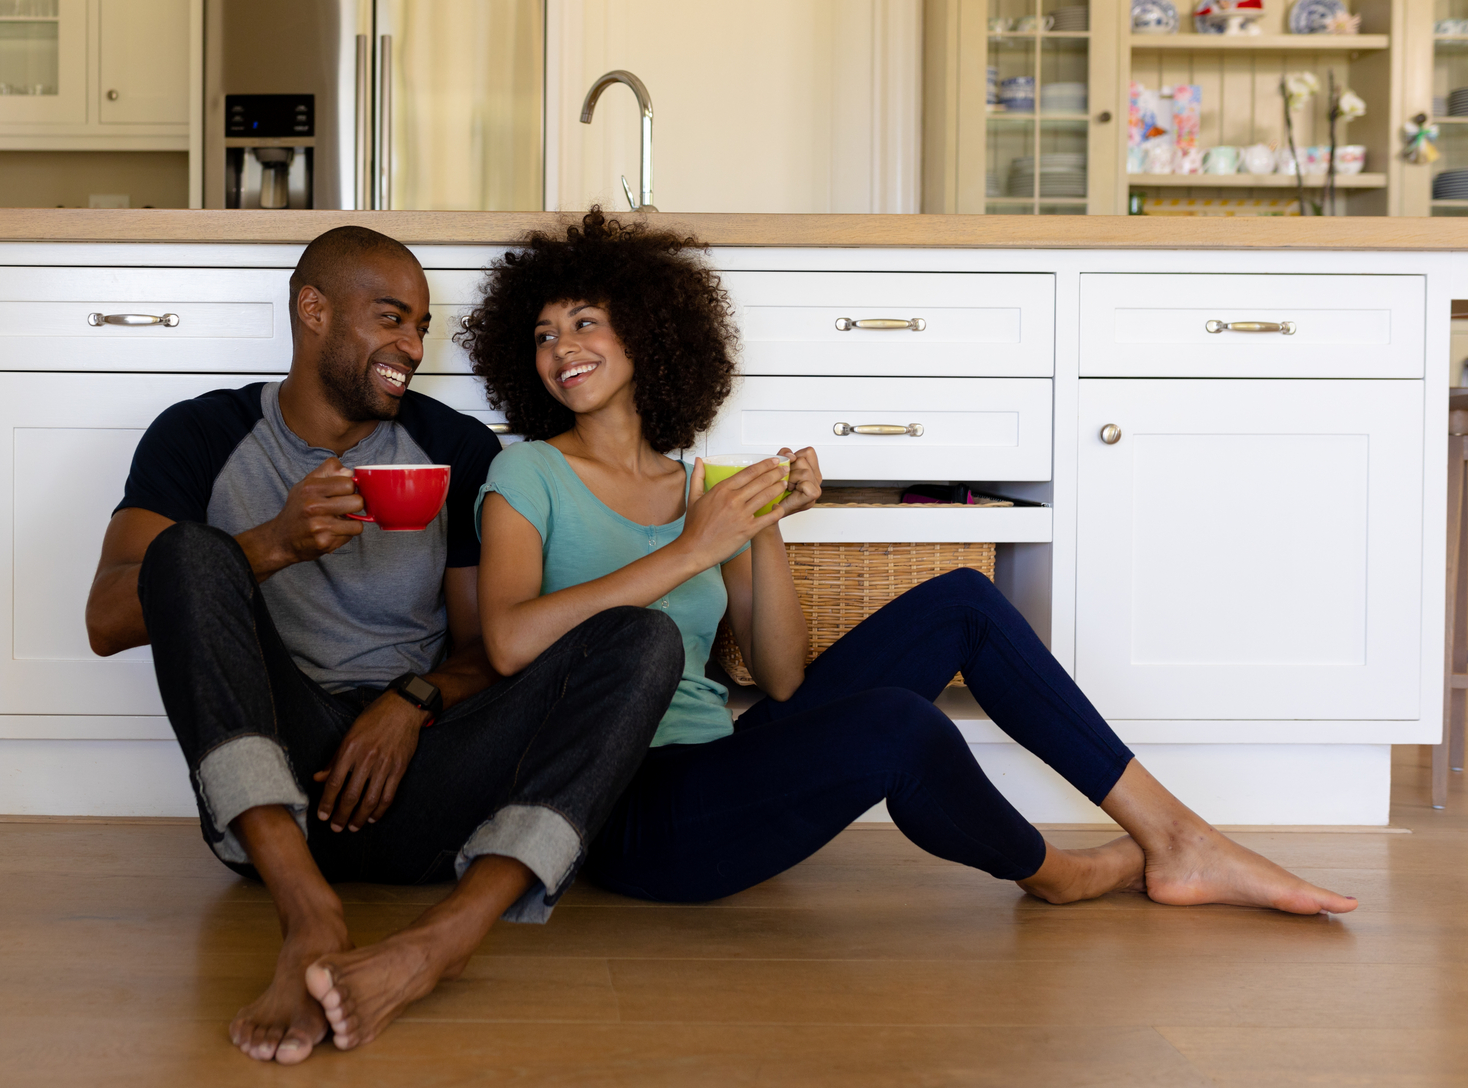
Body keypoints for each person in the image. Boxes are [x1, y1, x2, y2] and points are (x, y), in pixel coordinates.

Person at [459, 208, 1358, 918]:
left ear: (646, 335)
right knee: (897, 727)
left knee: (965, 600)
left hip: (722, 763)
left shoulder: (700, 484)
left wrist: (760, 524)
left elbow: (779, 679)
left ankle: (1179, 836)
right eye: (542, 333)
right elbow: (505, 643)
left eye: (585, 322)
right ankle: (1057, 875)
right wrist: (694, 547)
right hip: (624, 811)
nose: (561, 347)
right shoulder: (528, 471)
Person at [85, 225, 683, 1066]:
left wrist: (414, 699)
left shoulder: (455, 448)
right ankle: (307, 912)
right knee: (187, 551)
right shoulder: (200, 435)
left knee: (641, 638)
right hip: (277, 785)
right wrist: (272, 544)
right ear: (314, 310)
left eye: (422, 327)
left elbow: (487, 649)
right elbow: (108, 616)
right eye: (393, 319)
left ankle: (443, 938)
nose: (412, 346)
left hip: (429, 780)